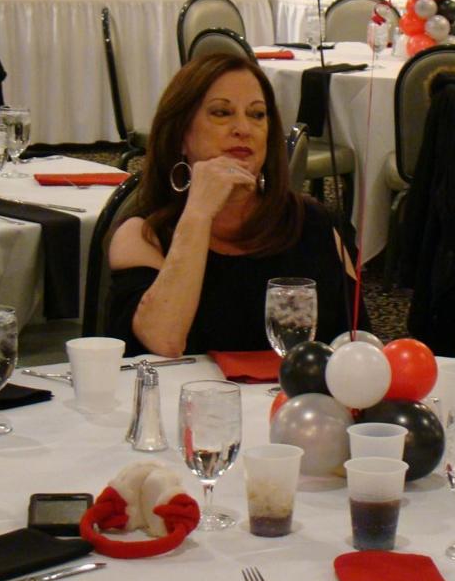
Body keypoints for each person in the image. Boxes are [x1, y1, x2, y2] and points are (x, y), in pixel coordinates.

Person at [107, 54, 364, 357]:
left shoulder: (312, 223)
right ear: (181, 135)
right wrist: (198, 214)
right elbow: (164, 340)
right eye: (221, 112)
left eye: (257, 115)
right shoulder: (142, 233)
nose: (243, 128)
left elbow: (358, 348)